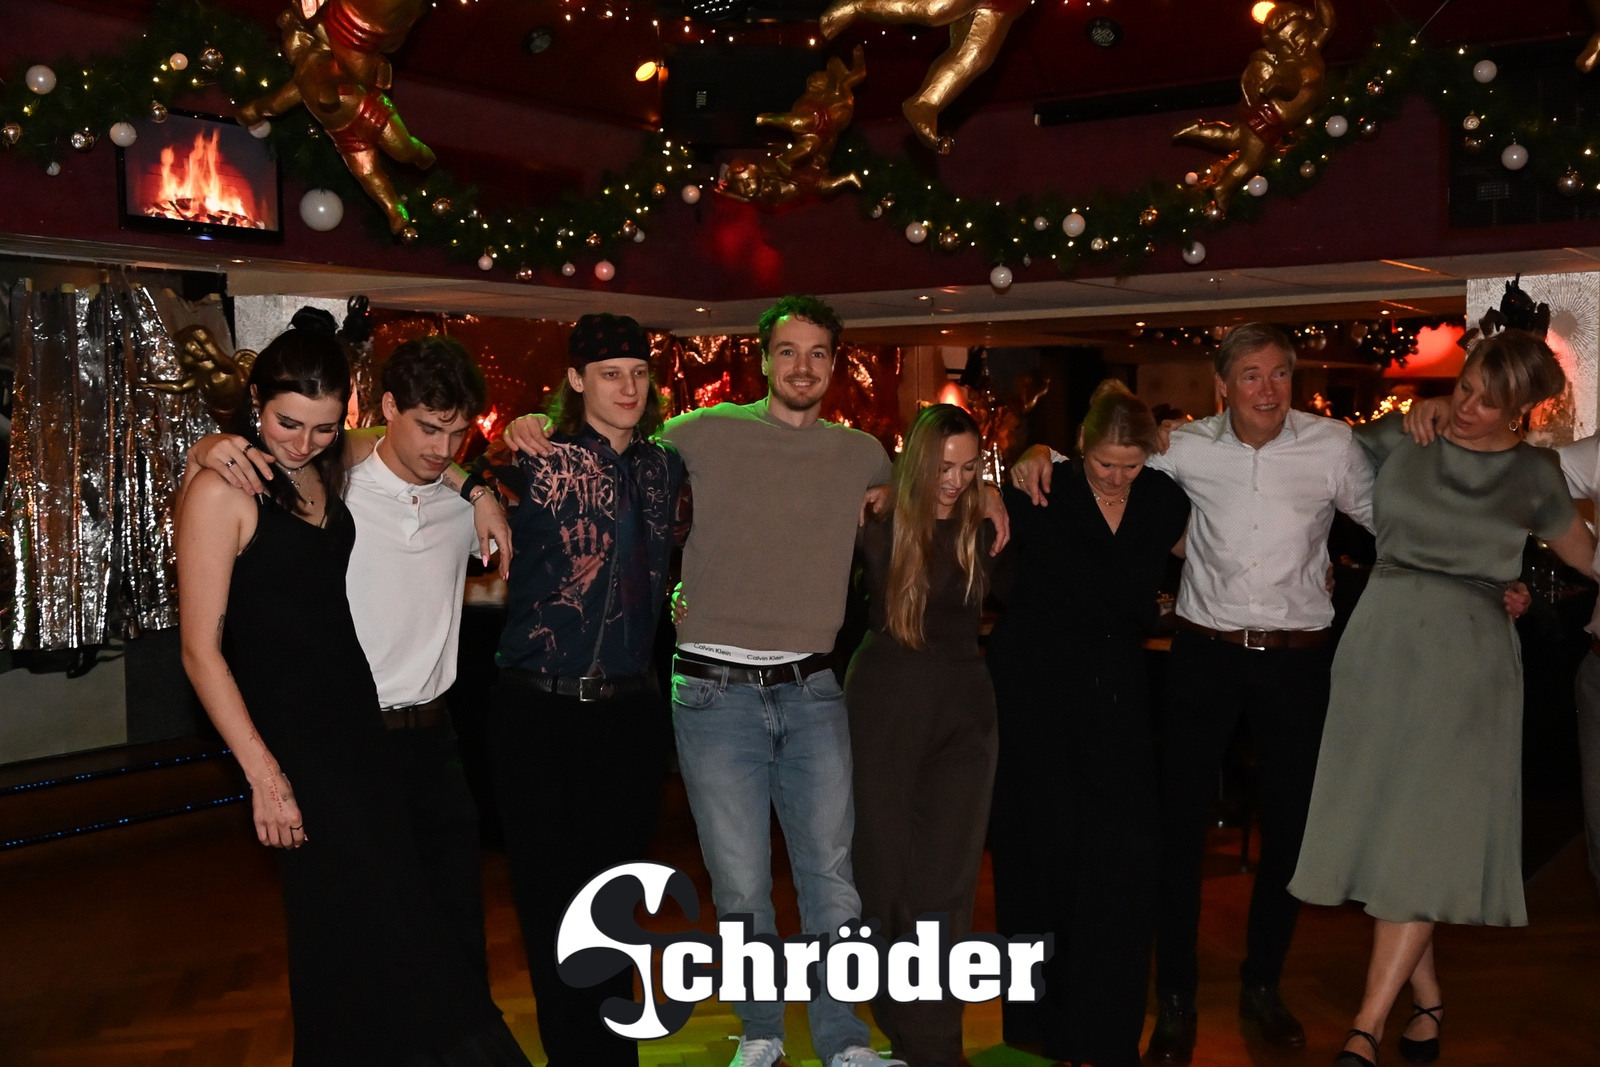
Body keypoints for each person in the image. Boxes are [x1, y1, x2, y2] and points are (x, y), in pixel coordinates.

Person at [504, 296, 1007, 1067]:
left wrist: (992, 487)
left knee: (832, 879)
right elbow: (609, 441)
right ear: (764, 359)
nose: (803, 367)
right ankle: (763, 1030)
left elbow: (937, 480)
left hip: (812, 691)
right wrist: (526, 428)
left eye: (818, 354)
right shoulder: (699, 432)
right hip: (713, 693)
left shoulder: (862, 454)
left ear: (835, 364)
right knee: (740, 884)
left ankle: (842, 1039)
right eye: (788, 352)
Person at [1010, 322, 1375, 1064]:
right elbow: (1101, 456)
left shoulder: (1334, 446)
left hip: (1297, 660)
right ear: (1223, 385)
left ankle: (1262, 983)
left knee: (1290, 832)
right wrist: (1033, 452)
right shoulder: (1183, 448)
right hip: (1204, 656)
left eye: (1278, 373)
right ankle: (1175, 995)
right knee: (1177, 832)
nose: (1267, 389)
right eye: (1251, 375)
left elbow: (1395, 524)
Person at [175, 308, 528, 1065]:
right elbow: (201, 653)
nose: (302, 441)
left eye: (323, 427)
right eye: (286, 422)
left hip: (360, 734)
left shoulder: (327, 466)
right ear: (256, 403)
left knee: (366, 945)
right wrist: (265, 777)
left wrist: (476, 488)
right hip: (304, 752)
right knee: (378, 938)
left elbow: (414, 449)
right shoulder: (220, 490)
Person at [1307, 330, 1596, 1067]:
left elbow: (1586, 554)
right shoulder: (1406, 432)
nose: (1468, 408)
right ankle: (1427, 997)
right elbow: (1309, 458)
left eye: (1488, 402)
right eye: (1464, 388)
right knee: (1390, 830)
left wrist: (1525, 585)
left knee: (1426, 833)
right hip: (1381, 647)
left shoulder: (1535, 473)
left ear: (1522, 410)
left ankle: (1364, 1029)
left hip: (1468, 665)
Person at [491, 314, 686, 1067]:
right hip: (538, 710)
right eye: (610, 374)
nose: (627, 387)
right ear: (576, 380)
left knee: (613, 903)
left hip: (629, 714)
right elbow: (422, 458)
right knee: (549, 903)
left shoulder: (667, 466)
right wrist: (481, 477)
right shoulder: (535, 457)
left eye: (637, 372)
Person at [988, 380, 1189, 1067]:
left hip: (1118, 689)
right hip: (1037, 685)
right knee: (1043, 849)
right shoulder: (1042, 488)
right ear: (1081, 445)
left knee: (1124, 858)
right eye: (1106, 462)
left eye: (1131, 464)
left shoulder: (1163, 499)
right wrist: (1018, 463)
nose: (1117, 476)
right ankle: (1043, 1025)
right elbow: (989, 556)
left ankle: (1107, 1031)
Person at [845, 403, 997, 1067]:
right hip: (884, 706)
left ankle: (936, 1046)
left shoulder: (984, 526)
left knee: (946, 886)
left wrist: (1020, 472)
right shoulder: (874, 523)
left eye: (968, 468)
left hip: (965, 714)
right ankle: (902, 1028)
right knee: (881, 879)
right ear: (914, 462)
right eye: (943, 467)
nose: (955, 481)